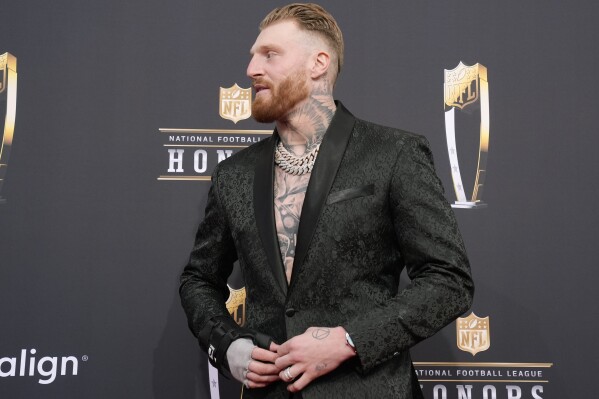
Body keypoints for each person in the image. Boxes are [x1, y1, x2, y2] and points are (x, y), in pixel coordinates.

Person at [180, 3, 474, 398]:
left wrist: (350, 340)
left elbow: (449, 279)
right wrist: (227, 343)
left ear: (319, 63)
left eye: (269, 54)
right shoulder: (234, 174)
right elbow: (199, 279)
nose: (251, 69)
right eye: (252, 56)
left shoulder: (393, 154)